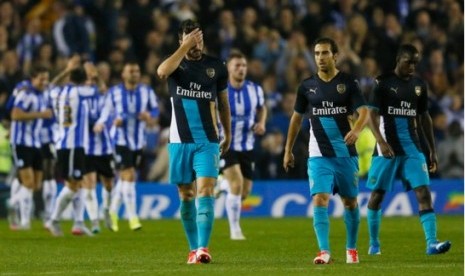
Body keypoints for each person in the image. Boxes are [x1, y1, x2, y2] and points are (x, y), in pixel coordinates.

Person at [283, 37, 369, 264]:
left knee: (350, 203)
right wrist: (287, 150)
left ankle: (351, 249)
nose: (320, 58)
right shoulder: (306, 86)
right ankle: (324, 251)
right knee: (320, 199)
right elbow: (295, 120)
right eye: (317, 53)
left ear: (335, 56)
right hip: (318, 155)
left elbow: (364, 112)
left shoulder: (349, 83)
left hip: (345, 155)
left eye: (324, 53)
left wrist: (358, 130)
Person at [157, 19, 231, 264]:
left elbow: (223, 103)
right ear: (181, 41)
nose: (196, 45)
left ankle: (203, 248)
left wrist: (228, 133)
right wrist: (183, 48)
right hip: (179, 141)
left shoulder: (217, 66)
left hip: (207, 140)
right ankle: (192, 248)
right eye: (190, 40)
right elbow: (161, 72)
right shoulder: (175, 65)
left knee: (206, 190)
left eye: (198, 39)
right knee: (186, 194)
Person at [365, 44, 451, 255]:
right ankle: (374, 243)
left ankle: (431, 243)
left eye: (415, 63)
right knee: (377, 196)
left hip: (412, 148)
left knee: (423, 192)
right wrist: (381, 142)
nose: (412, 66)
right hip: (387, 149)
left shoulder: (419, 86)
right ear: (398, 60)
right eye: (408, 62)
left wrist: (432, 149)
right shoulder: (382, 83)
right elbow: (371, 116)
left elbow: (424, 118)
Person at [45, 62, 99, 236]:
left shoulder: (56, 92)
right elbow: (97, 91)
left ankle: (78, 222)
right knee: (74, 184)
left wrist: (66, 70)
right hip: (72, 145)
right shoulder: (80, 92)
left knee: (78, 183)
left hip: (65, 143)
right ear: (83, 80)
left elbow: (51, 85)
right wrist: (94, 75)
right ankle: (53, 220)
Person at [218, 50, 267, 240]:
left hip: (247, 145)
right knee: (237, 185)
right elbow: (213, 111)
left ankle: (221, 185)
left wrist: (261, 123)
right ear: (229, 68)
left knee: (243, 193)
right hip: (226, 144)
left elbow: (262, 108)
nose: (241, 69)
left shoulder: (255, 90)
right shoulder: (221, 91)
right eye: (237, 65)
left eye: (244, 65)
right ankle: (235, 230)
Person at [108, 61, 159, 232]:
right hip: (120, 140)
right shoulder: (114, 93)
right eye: (131, 71)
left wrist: (149, 116)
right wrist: (113, 121)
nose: (134, 74)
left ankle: (112, 212)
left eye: (137, 70)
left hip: (138, 141)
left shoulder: (146, 91)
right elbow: (104, 114)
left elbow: (156, 111)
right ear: (123, 74)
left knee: (125, 179)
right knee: (129, 175)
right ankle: (132, 217)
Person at [7, 66, 53, 230]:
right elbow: (15, 114)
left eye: (46, 78)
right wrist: (40, 115)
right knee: (27, 182)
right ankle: (25, 222)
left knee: (36, 185)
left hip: (36, 143)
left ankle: (12, 202)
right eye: (41, 78)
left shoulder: (43, 96)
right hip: (21, 143)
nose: (44, 82)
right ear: (33, 79)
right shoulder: (26, 94)